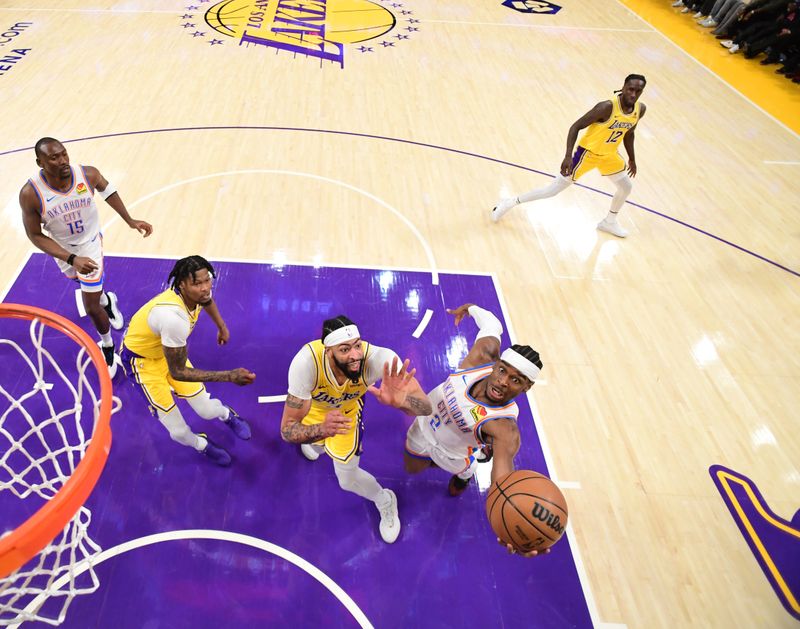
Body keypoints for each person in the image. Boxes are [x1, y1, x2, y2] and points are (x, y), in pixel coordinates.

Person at [404, 303, 547, 557]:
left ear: (527, 388)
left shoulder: (504, 429)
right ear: (496, 364)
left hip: (453, 453)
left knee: (454, 484)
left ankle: (467, 470)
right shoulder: (481, 357)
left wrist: (512, 527)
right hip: (423, 423)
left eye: (516, 380)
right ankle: (456, 457)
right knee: (412, 467)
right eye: (502, 371)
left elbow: (502, 482)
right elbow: (492, 323)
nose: (503, 382)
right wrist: (468, 308)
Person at [280, 315, 433, 544]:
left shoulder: (382, 359)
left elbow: (425, 407)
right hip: (315, 411)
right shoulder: (306, 363)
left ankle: (384, 499)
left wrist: (401, 403)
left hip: (346, 416)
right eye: (344, 349)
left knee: (347, 480)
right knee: (313, 442)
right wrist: (321, 429)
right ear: (328, 351)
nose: (355, 356)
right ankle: (319, 444)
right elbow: (287, 430)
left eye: (357, 346)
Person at [19, 137, 153, 377]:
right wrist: (71, 258)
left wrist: (130, 220)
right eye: (54, 157)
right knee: (82, 284)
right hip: (62, 250)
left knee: (90, 306)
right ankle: (107, 301)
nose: (62, 160)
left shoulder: (87, 174)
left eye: (64, 154)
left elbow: (108, 190)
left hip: (90, 244)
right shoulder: (31, 193)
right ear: (40, 162)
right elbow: (35, 235)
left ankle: (107, 345)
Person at [120, 255, 255, 466]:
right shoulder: (173, 317)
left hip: (167, 354)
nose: (204, 288)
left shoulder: (196, 295)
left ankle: (227, 415)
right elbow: (179, 372)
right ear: (181, 284)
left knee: (207, 410)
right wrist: (229, 376)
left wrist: (221, 326)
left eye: (207, 280)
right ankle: (201, 444)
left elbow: (207, 299)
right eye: (197, 283)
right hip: (142, 364)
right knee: (179, 432)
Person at [492, 74, 647, 238]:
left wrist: (632, 158)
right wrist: (567, 156)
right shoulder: (606, 107)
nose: (633, 94)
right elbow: (575, 127)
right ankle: (509, 202)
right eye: (630, 89)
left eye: (638, 91)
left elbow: (629, 133)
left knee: (626, 187)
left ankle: (609, 222)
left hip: (609, 155)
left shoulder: (639, 109)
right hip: (586, 155)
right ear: (623, 87)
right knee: (552, 190)